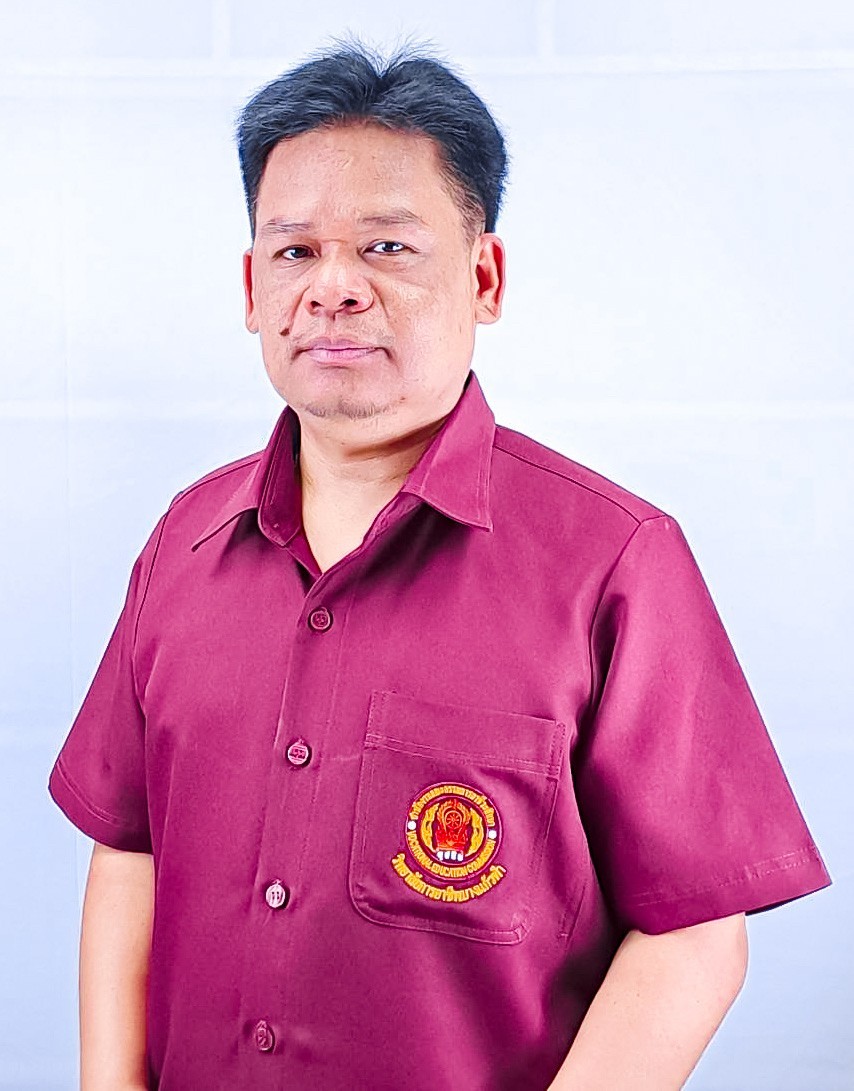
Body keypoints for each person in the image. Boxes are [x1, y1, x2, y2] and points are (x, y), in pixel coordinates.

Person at [47, 41, 832, 1091]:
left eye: (386, 246)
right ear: (251, 288)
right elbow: (128, 848)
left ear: (483, 276)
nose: (334, 288)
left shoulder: (614, 562)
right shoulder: (182, 544)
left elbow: (693, 933)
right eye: (295, 251)